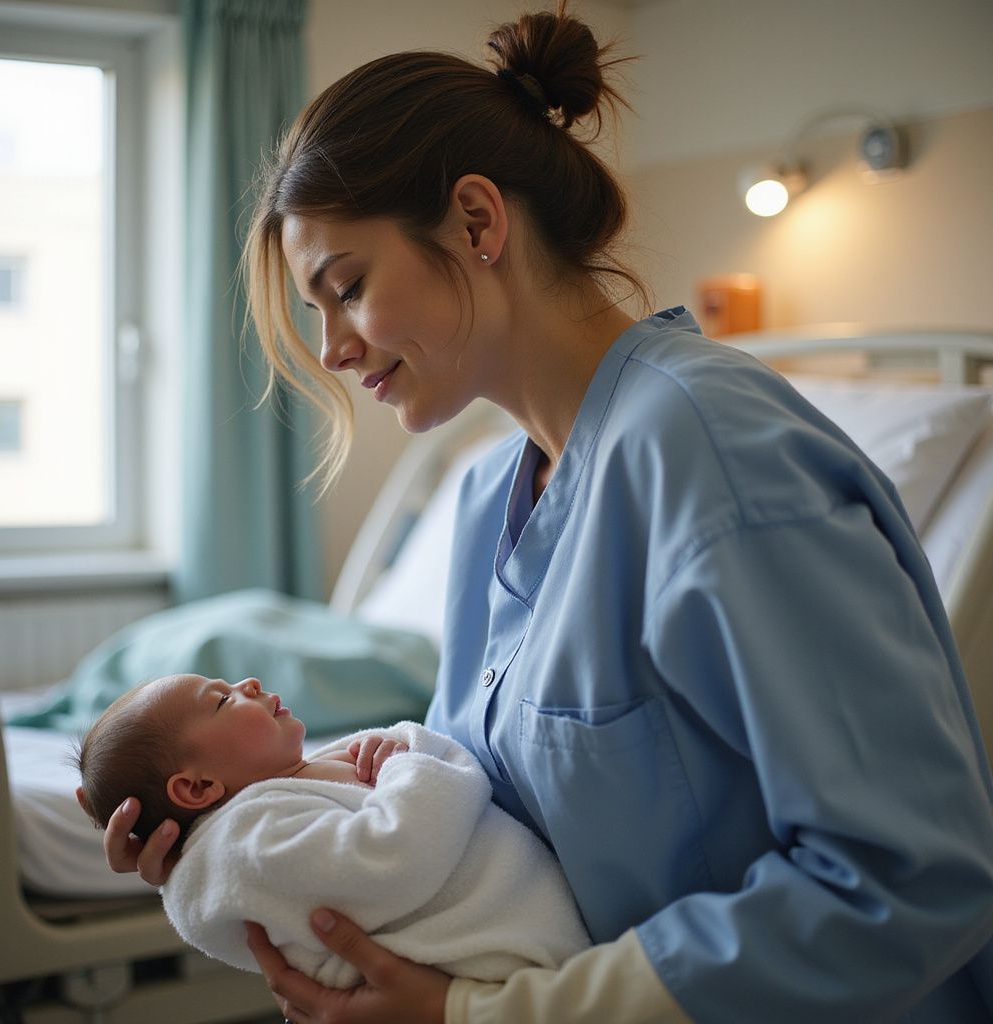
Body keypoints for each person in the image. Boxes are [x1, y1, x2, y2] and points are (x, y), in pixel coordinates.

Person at [103, 3, 993, 1022]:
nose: (334, 349)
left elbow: (912, 877)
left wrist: (487, 1014)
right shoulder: (489, 498)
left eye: (345, 288)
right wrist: (239, 826)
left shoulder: (711, 451)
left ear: (478, 223)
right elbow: (471, 820)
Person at [76, 674, 590, 986]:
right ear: (198, 789)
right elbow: (389, 859)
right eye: (222, 700)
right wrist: (410, 765)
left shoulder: (291, 785)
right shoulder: (246, 840)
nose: (248, 684)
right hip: (485, 966)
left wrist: (389, 745)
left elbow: (389, 762)